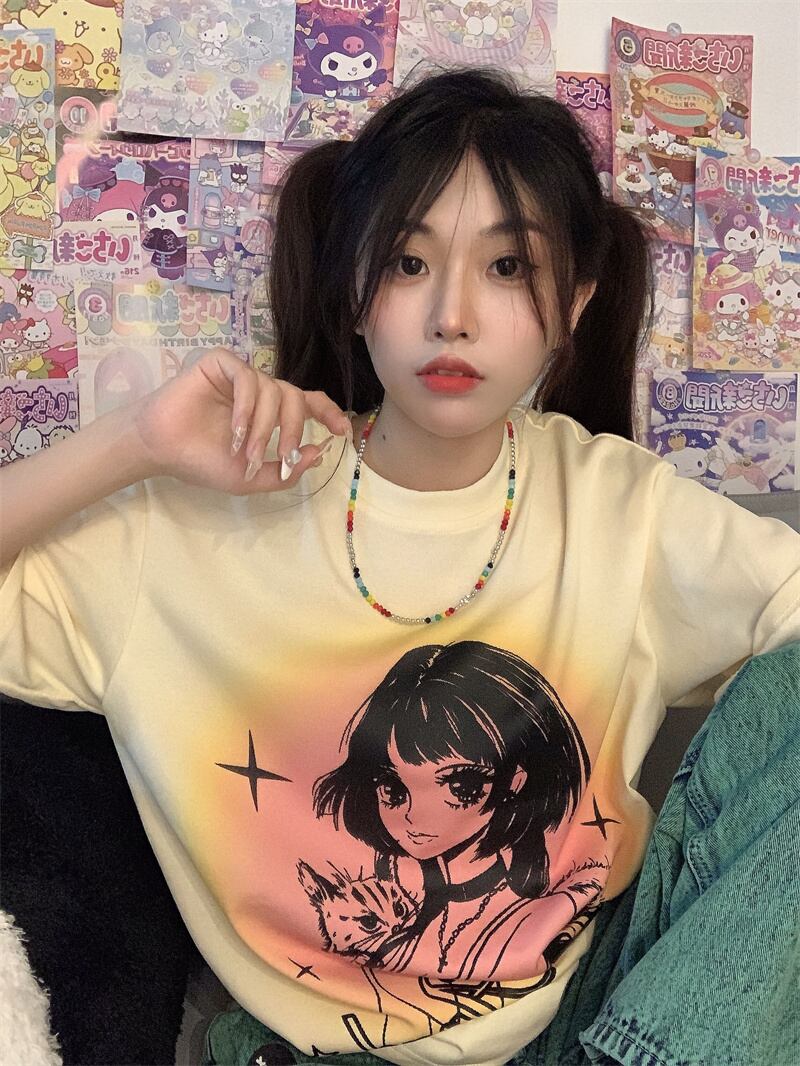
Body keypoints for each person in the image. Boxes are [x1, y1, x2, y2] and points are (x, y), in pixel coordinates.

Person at [0, 67, 798, 1066]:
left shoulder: (625, 511)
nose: (452, 315)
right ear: (352, 290)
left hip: (603, 1028)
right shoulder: (192, 522)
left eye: (507, 267)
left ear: (575, 303)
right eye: (409, 262)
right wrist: (136, 441)